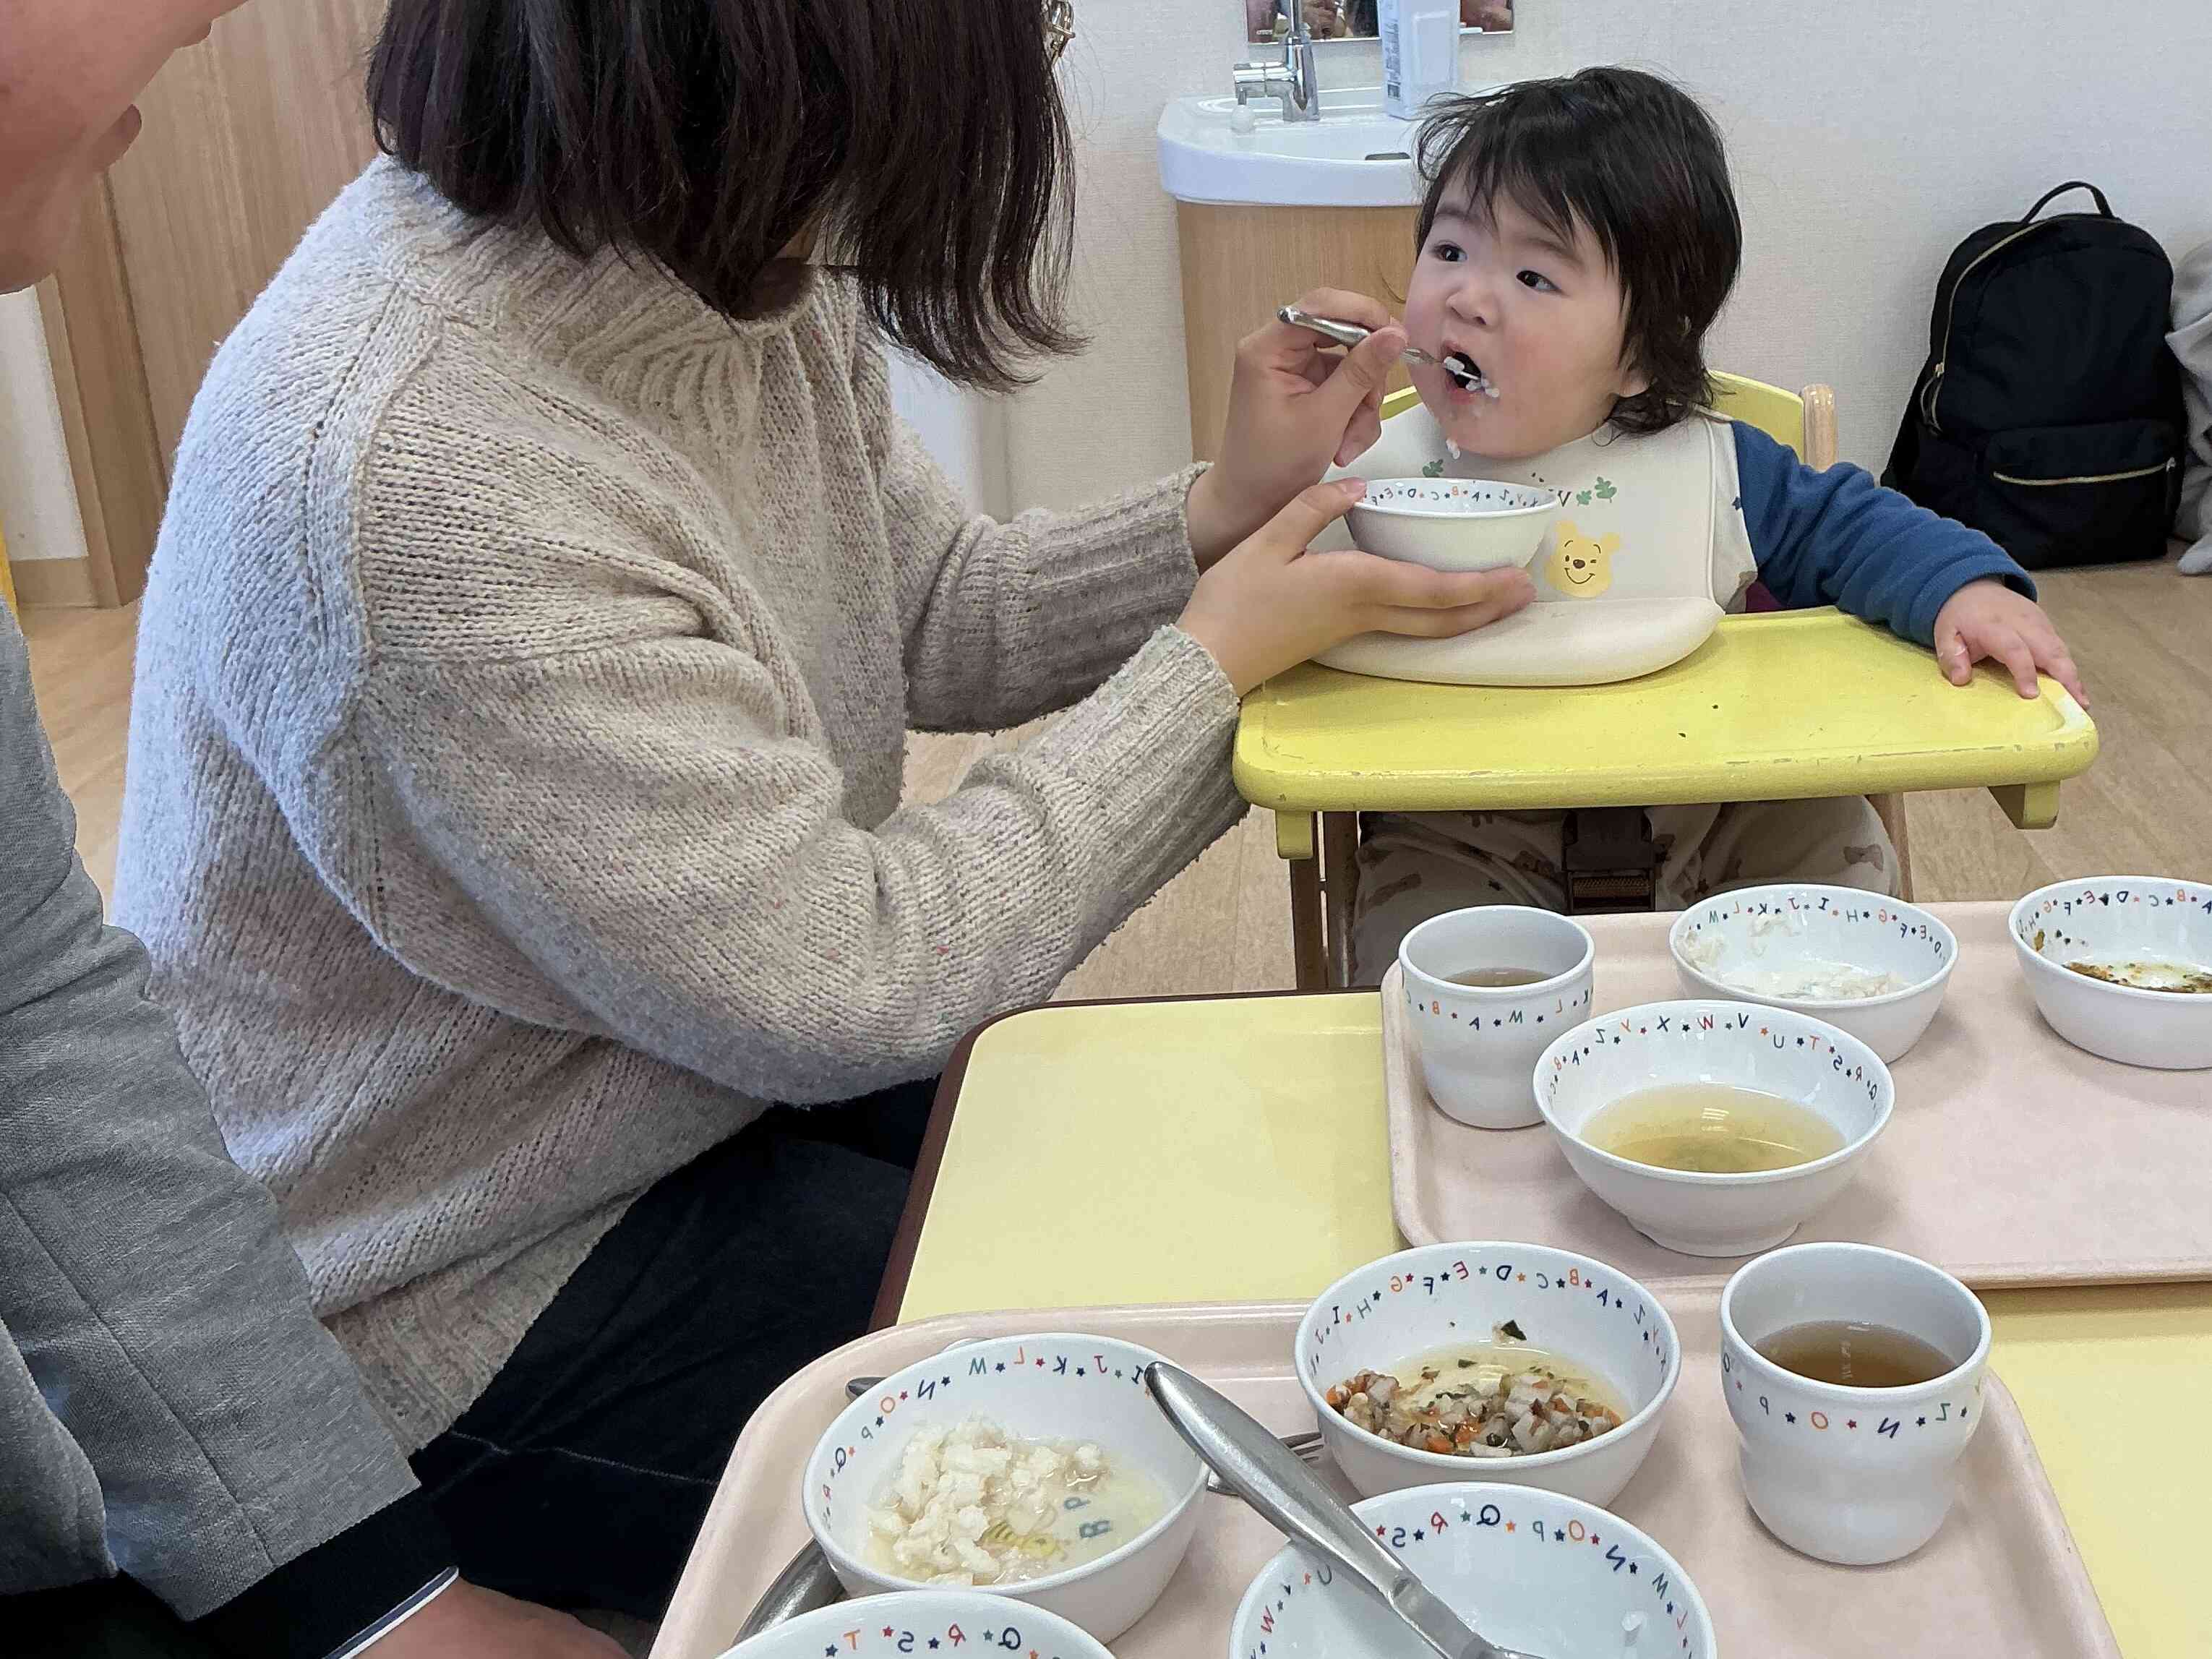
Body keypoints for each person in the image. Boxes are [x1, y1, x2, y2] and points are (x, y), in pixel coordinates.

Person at [113, 0, 1532, 1621]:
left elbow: (924, 604)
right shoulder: (418, 471)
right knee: (1159, 1457)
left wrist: (1219, 518)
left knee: (1197, 1203)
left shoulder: (709, 255)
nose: (1035, 55)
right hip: (453, 1281)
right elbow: (858, 979)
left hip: (679, 1081)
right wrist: (1214, 677)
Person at [0, 4, 640, 1655]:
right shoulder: (385, 429)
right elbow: (816, 962)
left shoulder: (739, 319)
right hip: (430, 1267)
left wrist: (361, 1592)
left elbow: (39, 1016)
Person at [1344, 69, 2088, 980]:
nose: (1468, 298)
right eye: (1451, 251)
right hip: (1462, 824)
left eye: (1535, 274)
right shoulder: (1369, 470)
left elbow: (1857, 530)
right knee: (1410, 951)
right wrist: (1286, 470)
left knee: (1836, 861)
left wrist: (1963, 589)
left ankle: (1809, 1050)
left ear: (1641, 353)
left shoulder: (1719, 468)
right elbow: (1263, 589)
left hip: (1719, 813)